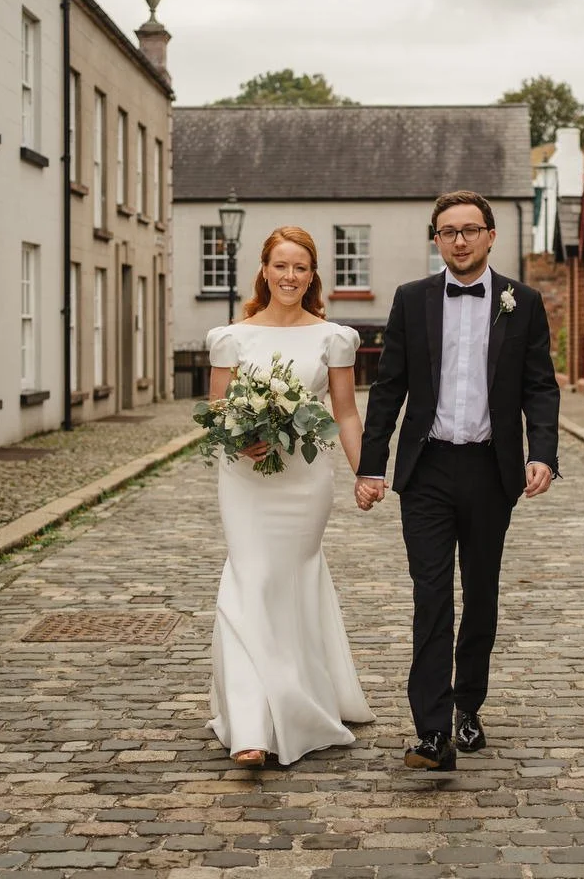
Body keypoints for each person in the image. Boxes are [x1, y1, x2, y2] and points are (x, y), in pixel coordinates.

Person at [356, 190, 560, 771]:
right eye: (449, 232)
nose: (461, 240)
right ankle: (432, 731)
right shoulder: (412, 300)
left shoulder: (523, 302)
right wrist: (372, 465)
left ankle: (468, 705)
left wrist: (541, 451)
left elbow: (540, 386)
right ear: (436, 240)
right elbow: (388, 388)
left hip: (491, 471)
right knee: (431, 596)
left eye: (471, 230)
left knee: (481, 595)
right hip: (426, 471)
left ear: (491, 235)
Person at [204, 226, 375, 768]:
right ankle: (251, 724)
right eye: (281, 265)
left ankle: (301, 696)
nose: (290, 276)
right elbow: (215, 414)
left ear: (312, 275)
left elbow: (345, 412)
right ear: (264, 270)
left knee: (290, 582)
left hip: (304, 481)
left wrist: (365, 471)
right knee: (249, 579)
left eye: (300, 267)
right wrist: (239, 436)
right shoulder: (232, 337)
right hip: (246, 480)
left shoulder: (334, 338)